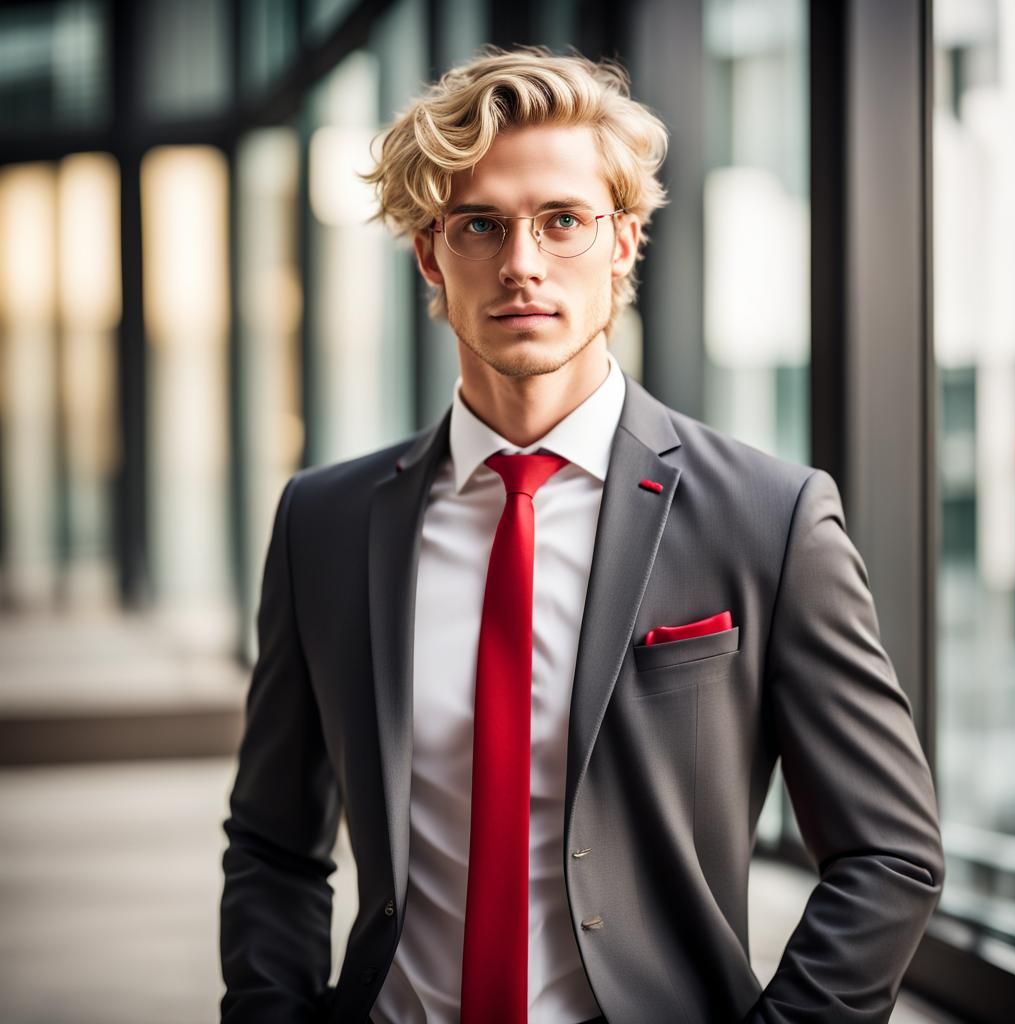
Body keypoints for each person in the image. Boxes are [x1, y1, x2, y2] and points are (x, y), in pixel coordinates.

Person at [219, 46, 944, 1024]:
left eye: (562, 220)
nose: (522, 263)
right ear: (432, 253)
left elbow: (888, 850)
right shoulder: (325, 523)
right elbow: (274, 842)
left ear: (624, 242)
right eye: (480, 224)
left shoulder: (768, 518)